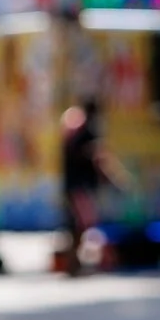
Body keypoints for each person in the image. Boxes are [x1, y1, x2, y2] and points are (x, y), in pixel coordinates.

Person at [58, 98, 123, 274]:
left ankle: (75, 264)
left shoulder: (75, 132)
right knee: (88, 225)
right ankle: (97, 261)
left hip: (73, 187)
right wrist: (116, 180)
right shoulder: (86, 132)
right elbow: (99, 158)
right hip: (81, 188)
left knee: (80, 228)